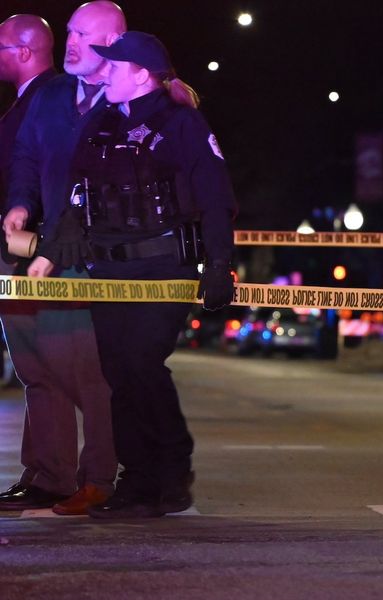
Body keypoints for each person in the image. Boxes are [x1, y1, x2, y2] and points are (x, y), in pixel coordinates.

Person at [29, 31, 237, 519]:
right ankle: (138, 481)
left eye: (114, 67)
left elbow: (215, 197)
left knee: (142, 363)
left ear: (142, 75)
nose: (105, 74)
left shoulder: (180, 123)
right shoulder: (101, 123)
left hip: (163, 268)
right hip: (110, 270)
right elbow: (75, 193)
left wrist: (219, 264)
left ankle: (171, 469)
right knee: (118, 373)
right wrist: (53, 248)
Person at [0, 3, 122, 516]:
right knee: (39, 368)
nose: (70, 44)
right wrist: (21, 204)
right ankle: (49, 475)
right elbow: (27, 157)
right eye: (69, 32)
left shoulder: (124, 96)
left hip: (92, 256)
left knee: (86, 374)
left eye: (82, 36)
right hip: (41, 249)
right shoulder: (51, 95)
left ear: (112, 43)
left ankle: (99, 479)